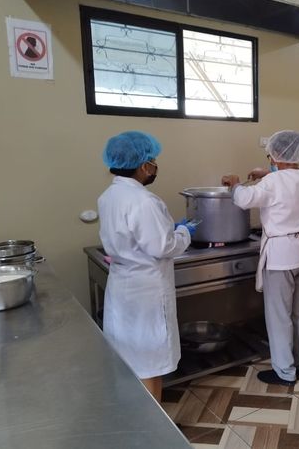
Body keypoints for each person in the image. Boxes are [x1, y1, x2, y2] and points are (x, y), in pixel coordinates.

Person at [98, 131, 196, 401]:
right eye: (153, 161)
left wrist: (169, 230)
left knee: (130, 358)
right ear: (143, 166)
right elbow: (162, 247)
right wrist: (184, 233)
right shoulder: (145, 200)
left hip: (123, 284)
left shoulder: (109, 196)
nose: (154, 167)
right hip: (147, 291)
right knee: (151, 363)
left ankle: (136, 416)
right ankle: (156, 422)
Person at [221, 130, 299, 386]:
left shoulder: (272, 183)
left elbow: (244, 199)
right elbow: (286, 182)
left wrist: (234, 183)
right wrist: (266, 173)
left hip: (282, 255)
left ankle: (284, 371)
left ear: (276, 156)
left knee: (279, 315)